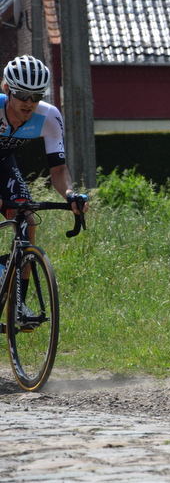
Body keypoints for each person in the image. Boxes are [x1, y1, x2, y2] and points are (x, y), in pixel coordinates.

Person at [0, 55, 89, 327]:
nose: (29, 102)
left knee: (27, 219)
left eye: (36, 95)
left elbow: (58, 170)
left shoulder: (48, 116)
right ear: (7, 90)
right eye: (22, 94)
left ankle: (20, 306)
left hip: (4, 161)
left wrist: (71, 195)